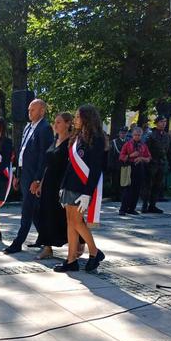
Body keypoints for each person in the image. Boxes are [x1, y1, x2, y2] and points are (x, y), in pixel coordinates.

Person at [55, 104, 106, 273]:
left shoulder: (97, 138)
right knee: (70, 222)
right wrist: (62, 186)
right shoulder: (76, 137)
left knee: (77, 221)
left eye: (78, 117)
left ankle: (94, 251)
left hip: (82, 187)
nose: (75, 120)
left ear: (87, 118)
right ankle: (71, 260)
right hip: (70, 185)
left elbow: (96, 169)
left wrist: (87, 193)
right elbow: (70, 166)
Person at [5, 99, 54, 254]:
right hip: (24, 173)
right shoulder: (28, 127)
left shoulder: (45, 128)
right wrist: (17, 175)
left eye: (33, 110)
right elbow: (22, 152)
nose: (29, 112)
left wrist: (37, 179)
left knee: (27, 208)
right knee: (33, 209)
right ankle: (44, 238)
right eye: (28, 110)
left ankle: (18, 242)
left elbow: (43, 157)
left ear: (42, 111)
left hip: (34, 176)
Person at [34, 112, 73, 259]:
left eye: (59, 122)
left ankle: (78, 242)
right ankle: (47, 246)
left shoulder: (71, 142)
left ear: (68, 124)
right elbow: (47, 165)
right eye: (54, 122)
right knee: (44, 213)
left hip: (62, 183)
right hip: (49, 183)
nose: (55, 125)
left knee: (65, 215)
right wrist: (41, 184)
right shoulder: (55, 139)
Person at [118, 127, 151, 216]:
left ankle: (132, 208)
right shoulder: (127, 144)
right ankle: (123, 209)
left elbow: (148, 158)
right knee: (127, 189)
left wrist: (141, 158)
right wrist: (130, 155)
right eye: (135, 135)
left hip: (139, 167)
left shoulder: (143, 145)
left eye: (139, 135)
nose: (137, 137)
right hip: (129, 167)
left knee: (137, 189)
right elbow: (121, 157)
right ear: (132, 135)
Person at [142, 115, 169, 214]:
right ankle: (145, 205)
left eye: (165, 121)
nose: (164, 123)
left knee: (158, 185)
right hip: (151, 163)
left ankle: (152, 205)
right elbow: (145, 149)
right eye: (162, 121)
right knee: (148, 185)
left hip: (161, 163)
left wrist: (168, 163)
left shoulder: (166, 135)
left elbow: (168, 150)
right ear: (157, 123)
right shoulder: (151, 135)